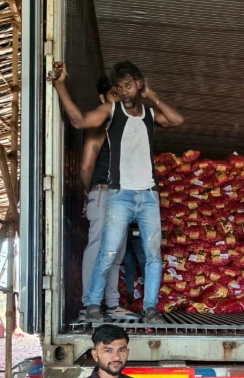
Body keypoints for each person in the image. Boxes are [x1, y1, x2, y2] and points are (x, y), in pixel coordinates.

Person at [50, 59, 184, 324]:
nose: (124, 91)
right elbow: (78, 121)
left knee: (153, 256)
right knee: (107, 252)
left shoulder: (149, 115)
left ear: (139, 84)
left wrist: (151, 95)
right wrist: (59, 85)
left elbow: (177, 119)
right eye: (120, 87)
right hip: (119, 194)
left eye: (129, 85)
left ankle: (150, 309)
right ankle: (92, 305)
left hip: (148, 195)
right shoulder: (111, 110)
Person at [78, 77, 132, 320]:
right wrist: (89, 193)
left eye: (121, 94)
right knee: (98, 247)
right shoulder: (100, 126)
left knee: (116, 253)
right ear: (102, 99)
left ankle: (111, 304)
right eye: (113, 94)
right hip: (103, 192)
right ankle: (89, 305)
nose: (119, 98)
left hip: (123, 195)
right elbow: (86, 166)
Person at [123, 225, 146, 300]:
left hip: (125, 233)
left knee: (129, 266)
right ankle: (148, 296)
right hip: (138, 231)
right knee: (144, 266)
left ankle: (130, 296)